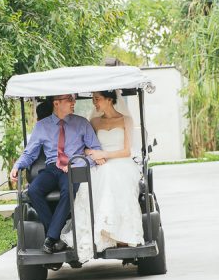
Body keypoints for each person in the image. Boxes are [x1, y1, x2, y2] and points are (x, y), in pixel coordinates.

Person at [11, 94, 104, 254]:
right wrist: (17, 166)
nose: (73, 102)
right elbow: (30, 153)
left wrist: (79, 164)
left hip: (74, 166)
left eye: (73, 99)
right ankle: (55, 236)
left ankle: (50, 238)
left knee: (68, 190)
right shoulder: (42, 126)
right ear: (56, 103)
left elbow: (96, 151)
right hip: (52, 168)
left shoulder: (82, 123)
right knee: (33, 190)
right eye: (69, 99)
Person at [62, 90, 145, 261]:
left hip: (121, 162)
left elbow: (126, 151)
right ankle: (100, 232)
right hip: (100, 163)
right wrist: (92, 153)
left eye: (97, 99)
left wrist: (104, 154)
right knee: (85, 185)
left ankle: (117, 233)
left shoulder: (125, 120)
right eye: (93, 99)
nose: (94, 102)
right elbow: (85, 146)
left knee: (110, 174)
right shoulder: (94, 122)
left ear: (109, 99)